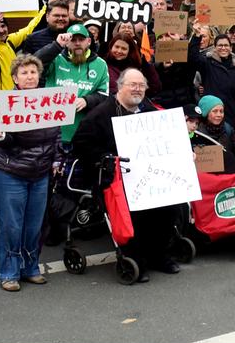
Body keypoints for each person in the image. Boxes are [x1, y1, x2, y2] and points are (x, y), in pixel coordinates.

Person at [71, 68, 179, 283]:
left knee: (169, 204)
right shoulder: (100, 114)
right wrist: (106, 158)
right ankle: (135, 258)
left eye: (141, 85)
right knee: (135, 209)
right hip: (113, 177)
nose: (137, 89)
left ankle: (159, 255)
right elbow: (81, 145)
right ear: (120, 86)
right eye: (133, 84)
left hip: (147, 174)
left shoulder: (150, 110)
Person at [0, 55, 59, 292]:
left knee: (34, 225)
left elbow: (56, 134)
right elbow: (9, 140)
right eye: (24, 73)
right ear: (15, 78)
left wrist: (56, 159)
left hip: (40, 172)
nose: (29, 77)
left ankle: (30, 268)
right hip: (9, 170)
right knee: (12, 225)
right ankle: (9, 273)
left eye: (33, 72)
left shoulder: (49, 100)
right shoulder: (5, 103)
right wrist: (1, 137)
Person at [35, 22, 110, 146]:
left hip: (82, 134)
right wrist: (56, 45)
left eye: (81, 39)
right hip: (52, 134)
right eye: (73, 39)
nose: (77, 43)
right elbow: (34, 63)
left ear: (89, 41)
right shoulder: (56, 59)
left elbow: (104, 95)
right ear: (67, 42)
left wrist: (87, 100)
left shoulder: (100, 64)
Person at [195, 94, 235, 174]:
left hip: (227, 176)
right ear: (205, 113)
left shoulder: (228, 129)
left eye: (221, 111)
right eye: (215, 111)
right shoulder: (197, 133)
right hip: (207, 178)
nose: (219, 115)